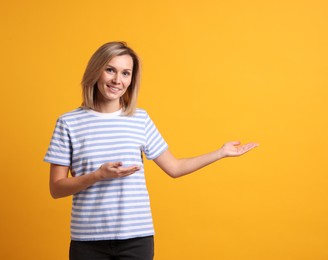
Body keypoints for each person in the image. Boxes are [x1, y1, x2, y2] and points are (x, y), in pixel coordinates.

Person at [44, 41, 258, 260]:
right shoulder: (68, 123)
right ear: (96, 71)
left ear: (132, 79)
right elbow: (56, 188)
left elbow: (175, 168)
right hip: (88, 242)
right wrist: (99, 175)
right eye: (110, 70)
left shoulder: (140, 119)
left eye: (126, 73)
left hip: (137, 240)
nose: (118, 80)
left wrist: (220, 152)